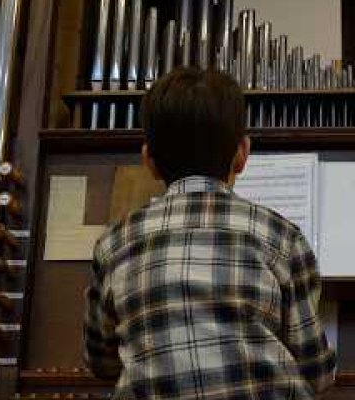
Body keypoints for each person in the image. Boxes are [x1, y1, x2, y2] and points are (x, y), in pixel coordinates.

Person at [83, 67, 335, 399]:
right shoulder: (282, 238)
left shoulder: (113, 244)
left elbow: (101, 362)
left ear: (149, 161)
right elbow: (316, 372)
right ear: (242, 154)